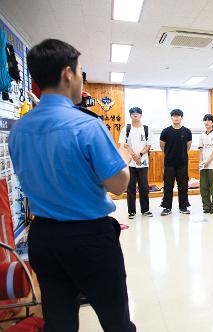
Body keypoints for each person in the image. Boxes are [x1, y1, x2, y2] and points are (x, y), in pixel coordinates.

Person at [9, 39, 136, 331]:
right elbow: (118, 184)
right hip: (88, 238)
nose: (81, 79)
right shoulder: (87, 125)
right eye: (80, 72)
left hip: (43, 237)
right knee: (116, 319)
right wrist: (123, 158)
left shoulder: (20, 129)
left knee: (59, 321)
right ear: (68, 73)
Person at [118, 107, 153, 219]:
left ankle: (145, 210)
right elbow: (123, 145)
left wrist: (140, 155)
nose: (135, 115)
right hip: (130, 164)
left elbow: (148, 145)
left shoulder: (146, 129)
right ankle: (131, 211)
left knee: (144, 187)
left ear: (141, 115)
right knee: (130, 187)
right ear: (130, 116)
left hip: (143, 163)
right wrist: (134, 155)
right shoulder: (126, 129)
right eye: (133, 113)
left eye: (137, 113)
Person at [160, 109, 192, 215]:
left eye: (178, 116)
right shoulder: (166, 131)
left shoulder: (187, 131)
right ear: (171, 118)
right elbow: (162, 146)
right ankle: (166, 207)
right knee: (168, 186)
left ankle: (183, 207)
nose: (176, 118)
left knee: (183, 186)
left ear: (181, 117)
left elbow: (188, 146)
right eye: (174, 116)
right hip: (169, 163)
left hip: (182, 163)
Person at [198, 114, 213, 213]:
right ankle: (206, 207)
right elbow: (201, 150)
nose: (206, 122)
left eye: (209, 120)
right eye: (205, 120)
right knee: (203, 188)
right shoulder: (202, 134)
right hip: (203, 166)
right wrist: (201, 162)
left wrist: (208, 161)